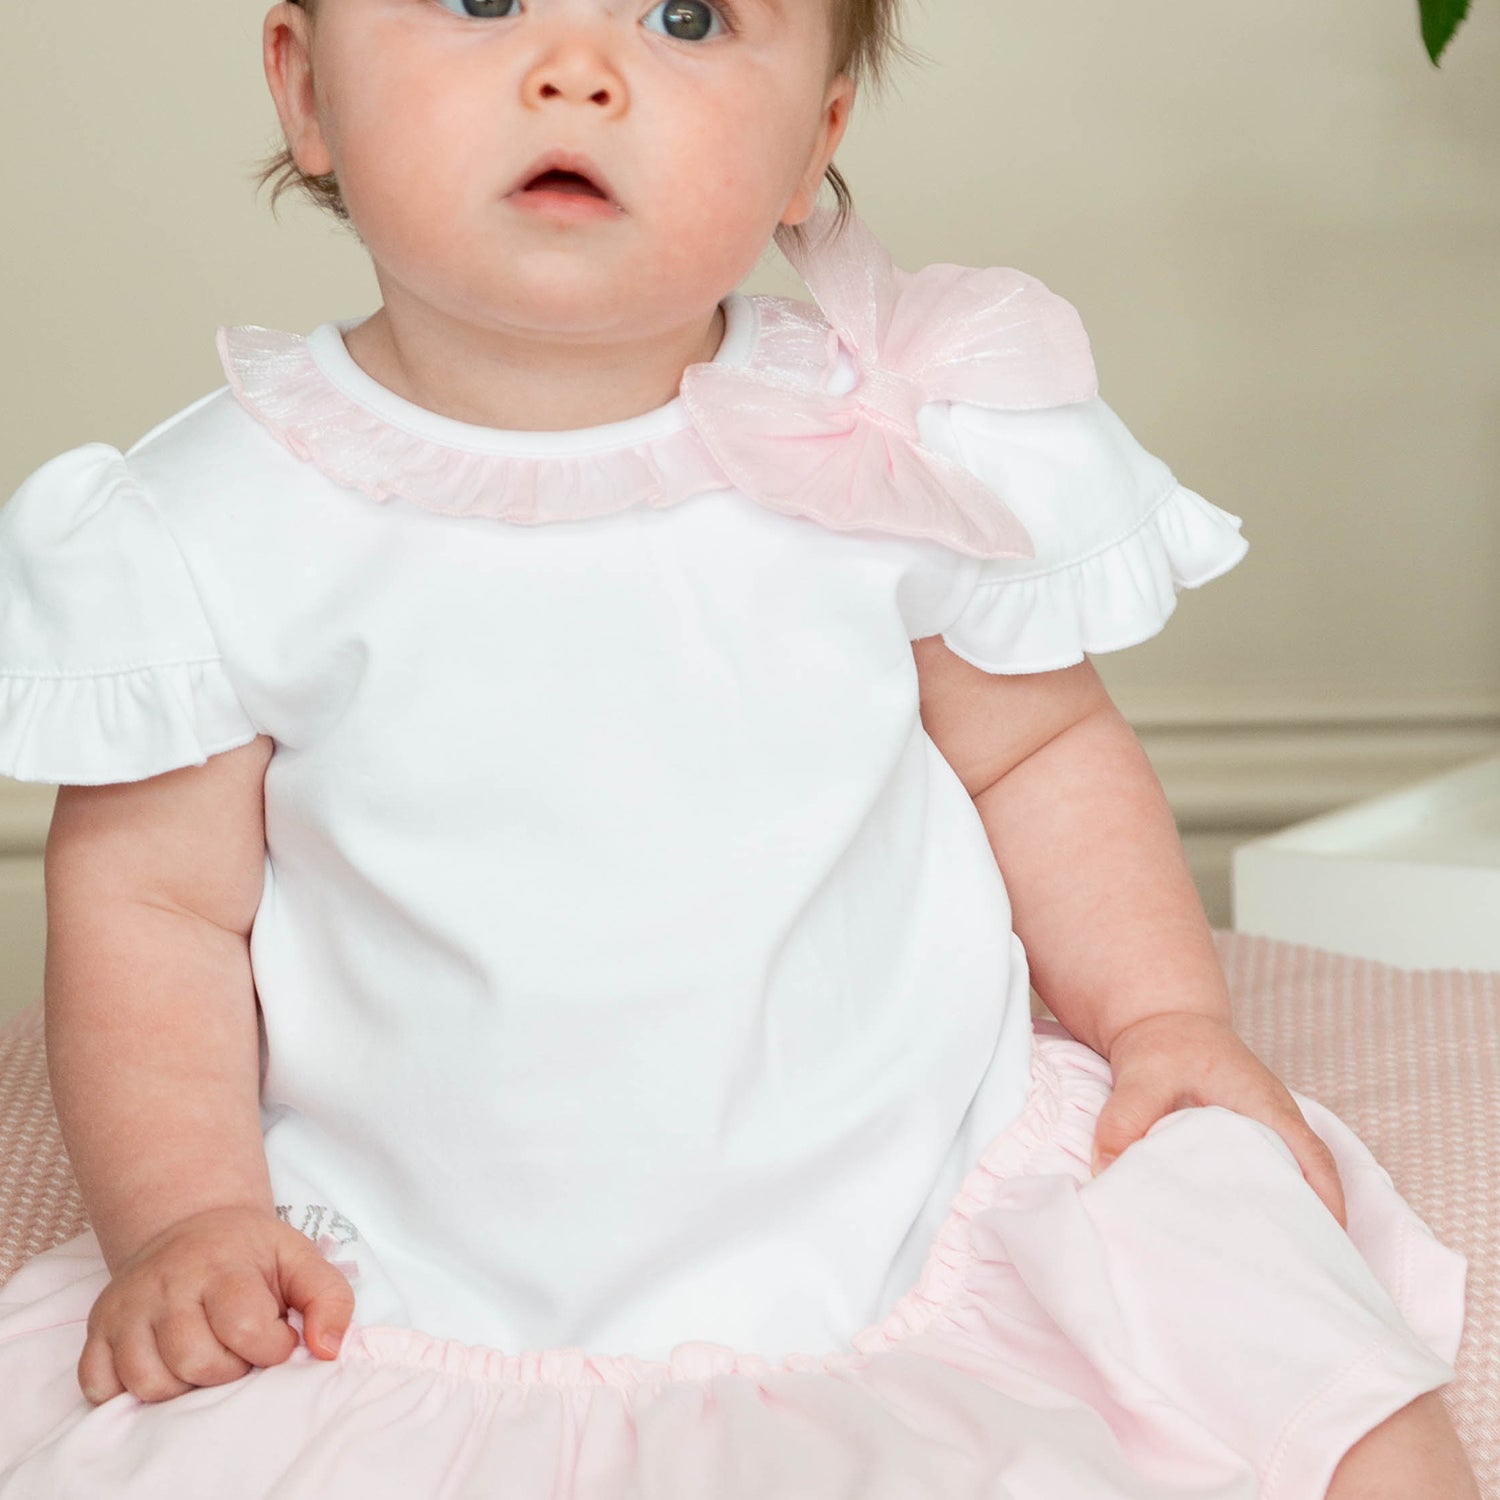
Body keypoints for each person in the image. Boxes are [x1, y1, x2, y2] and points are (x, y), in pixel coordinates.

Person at [0, 0, 1479, 1495]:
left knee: (1296, 1361)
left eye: (689, 17)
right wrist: (186, 1216)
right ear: (305, 88)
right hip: (406, 1252)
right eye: (484, 0)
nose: (575, 69)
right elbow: (155, 905)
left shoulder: (886, 435)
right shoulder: (208, 528)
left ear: (814, 143)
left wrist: (1166, 1019)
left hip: (920, 1182)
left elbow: (1039, 756)